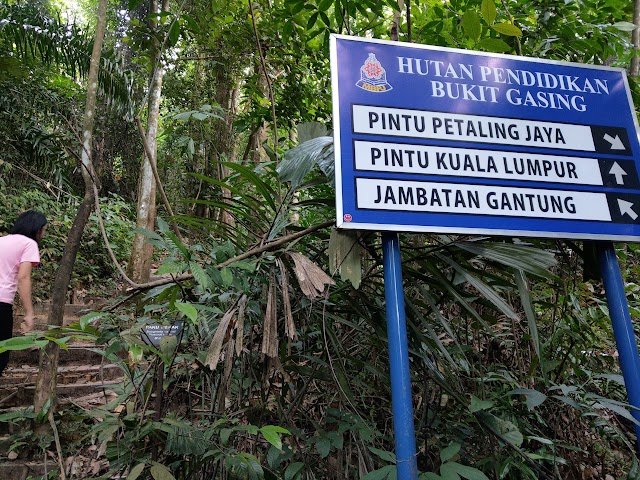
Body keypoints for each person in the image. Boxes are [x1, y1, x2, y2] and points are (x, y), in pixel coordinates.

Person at [0, 210, 47, 376]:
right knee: (2, 355)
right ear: (36, 229)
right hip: (2, 303)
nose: (44, 234)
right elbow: (23, 278)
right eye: (44, 230)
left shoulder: (2, 240)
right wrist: (29, 313)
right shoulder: (29, 244)